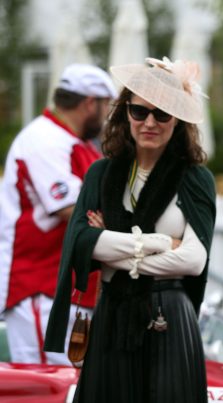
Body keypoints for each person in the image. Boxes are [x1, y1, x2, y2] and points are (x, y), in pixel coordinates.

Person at [44, 57, 216, 403]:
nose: (149, 122)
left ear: (178, 120)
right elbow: (80, 242)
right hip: (112, 314)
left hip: (169, 315)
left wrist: (113, 248)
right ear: (126, 113)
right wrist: (161, 243)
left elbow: (194, 260)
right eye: (139, 112)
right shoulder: (100, 174)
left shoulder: (196, 179)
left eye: (162, 113)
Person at [0, 64, 116, 364]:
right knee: (46, 386)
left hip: (62, 289)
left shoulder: (69, 140)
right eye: (107, 105)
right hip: (40, 286)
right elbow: (72, 209)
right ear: (90, 103)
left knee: (69, 387)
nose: (107, 115)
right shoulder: (45, 140)